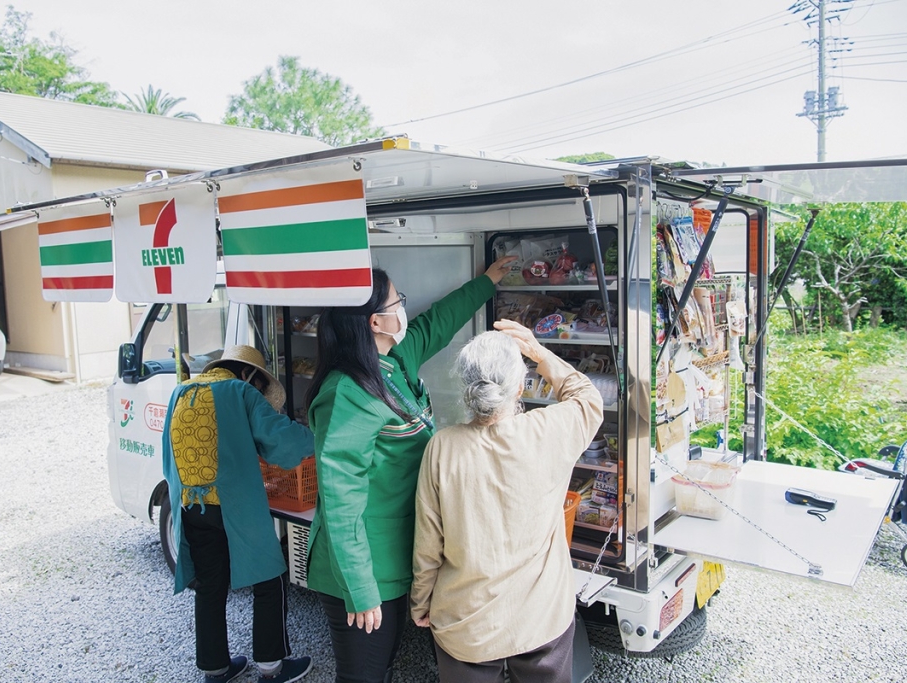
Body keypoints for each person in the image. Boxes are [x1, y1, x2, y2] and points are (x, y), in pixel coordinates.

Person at [305, 257, 516, 683]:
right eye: (396, 301)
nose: (402, 307)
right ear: (375, 323)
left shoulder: (393, 361)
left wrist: (486, 284)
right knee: (363, 674)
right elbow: (341, 504)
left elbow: (435, 323)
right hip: (363, 568)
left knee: (381, 667)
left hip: (394, 556)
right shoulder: (348, 392)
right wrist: (361, 590)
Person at [410, 320, 604, 683]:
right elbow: (587, 395)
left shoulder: (442, 447)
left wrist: (422, 602)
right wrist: (537, 350)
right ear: (519, 387)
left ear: (467, 389)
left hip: (466, 623)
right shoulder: (549, 430)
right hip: (542, 616)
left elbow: (428, 543)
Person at [162, 344, 316, 683]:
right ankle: (272, 668)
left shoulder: (180, 392)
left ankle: (216, 669)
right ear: (249, 375)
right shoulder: (239, 391)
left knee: (210, 585)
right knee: (268, 577)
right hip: (233, 503)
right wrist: (318, 438)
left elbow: (168, 454)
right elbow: (281, 439)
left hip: (190, 503)